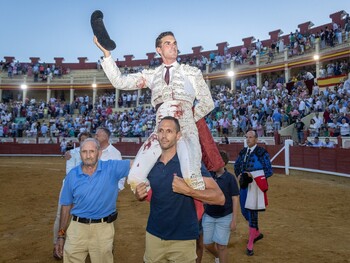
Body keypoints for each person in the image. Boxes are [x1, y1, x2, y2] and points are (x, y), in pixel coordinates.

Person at [94, 31, 224, 193]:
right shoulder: (151, 75)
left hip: (186, 130)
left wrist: (188, 118)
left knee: (193, 178)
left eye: (175, 43)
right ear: (158, 50)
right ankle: (162, 199)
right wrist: (107, 55)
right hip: (160, 131)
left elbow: (207, 102)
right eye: (168, 43)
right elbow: (119, 81)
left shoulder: (192, 72)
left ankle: (194, 215)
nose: (173, 46)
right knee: (134, 179)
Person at [134, 116, 225, 263]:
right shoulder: (149, 164)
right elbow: (147, 193)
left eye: (169, 131)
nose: (164, 135)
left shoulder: (190, 164)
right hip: (154, 236)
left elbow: (220, 197)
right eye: (161, 131)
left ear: (178, 135)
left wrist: (188, 191)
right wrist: (139, 195)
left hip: (183, 239)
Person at [55, 138, 132, 262]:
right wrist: (60, 235)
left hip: (103, 229)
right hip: (76, 229)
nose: (88, 155)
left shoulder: (111, 168)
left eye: (92, 151)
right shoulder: (72, 175)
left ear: (99, 153)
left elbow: (137, 164)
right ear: (80, 154)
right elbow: (66, 206)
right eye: (84, 152)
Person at [234, 130, 273, 256]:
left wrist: (253, 175)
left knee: (252, 213)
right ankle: (256, 232)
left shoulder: (262, 153)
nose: (248, 139)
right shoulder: (243, 152)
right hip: (244, 186)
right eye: (247, 137)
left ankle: (250, 244)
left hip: (256, 187)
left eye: (251, 137)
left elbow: (268, 171)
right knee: (244, 211)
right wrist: (239, 174)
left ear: (256, 139)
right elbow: (237, 166)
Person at [52, 132, 91, 260]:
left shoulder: (93, 153)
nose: (83, 142)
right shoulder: (72, 153)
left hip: (86, 189)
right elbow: (70, 173)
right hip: (70, 187)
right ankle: (56, 244)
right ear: (79, 141)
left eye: (86, 139)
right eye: (82, 140)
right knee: (61, 215)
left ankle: (84, 247)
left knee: (83, 216)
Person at [202, 151, 239, 263]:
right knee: (207, 244)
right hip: (209, 214)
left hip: (225, 216)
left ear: (223, 163)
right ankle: (217, 256)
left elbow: (235, 198)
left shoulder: (230, 178)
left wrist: (234, 220)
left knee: (222, 246)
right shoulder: (209, 175)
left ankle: (220, 257)